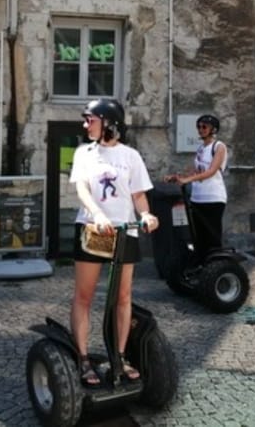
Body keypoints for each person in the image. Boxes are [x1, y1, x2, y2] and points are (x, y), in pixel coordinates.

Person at [69, 98, 159, 386]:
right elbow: (82, 188)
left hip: (124, 232)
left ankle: (119, 356)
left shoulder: (130, 156)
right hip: (93, 231)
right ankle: (83, 359)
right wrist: (96, 213)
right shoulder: (84, 153)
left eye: (90, 119)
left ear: (108, 123)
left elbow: (139, 195)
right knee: (84, 296)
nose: (85, 125)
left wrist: (146, 214)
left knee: (123, 297)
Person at [165, 114, 228, 267]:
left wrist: (187, 180)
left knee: (212, 235)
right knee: (199, 235)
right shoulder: (201, 148)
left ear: (213, 129)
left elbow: (211, 171)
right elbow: (196, 170)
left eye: (204, 127)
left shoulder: (219, 147)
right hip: (198, 197)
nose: (200, 130)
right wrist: (178, 177)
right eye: (198, 127)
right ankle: (202, 266)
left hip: (213, 197)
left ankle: (215, 267)